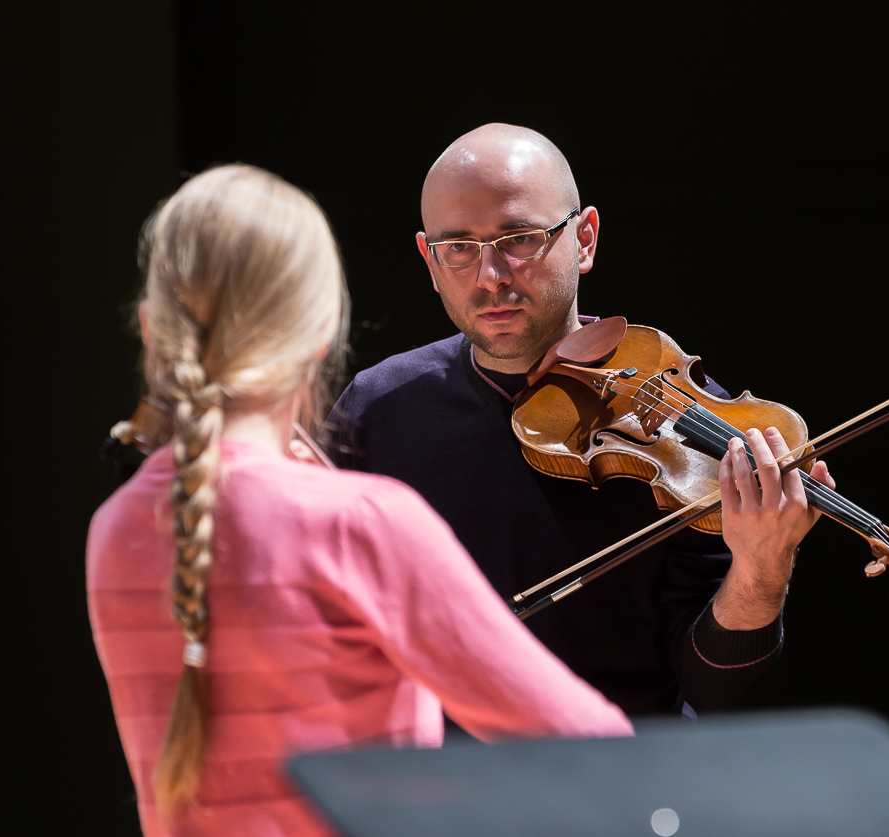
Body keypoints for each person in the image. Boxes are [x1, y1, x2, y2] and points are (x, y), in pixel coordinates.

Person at [87, 164, 632, 837]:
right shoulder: (360, 522)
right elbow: (592, 745)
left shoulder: (114, 529)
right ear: (320, 332)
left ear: (150, 327)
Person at [324, 124, 836, 718]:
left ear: (585, 238)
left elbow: (710, 688)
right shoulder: (377, 410)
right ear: (430, 261)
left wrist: (761, 569)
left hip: (622, 780)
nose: (491, 275)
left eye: (519, 238)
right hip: (438, 785)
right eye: (459, 247)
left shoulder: (685, 431)